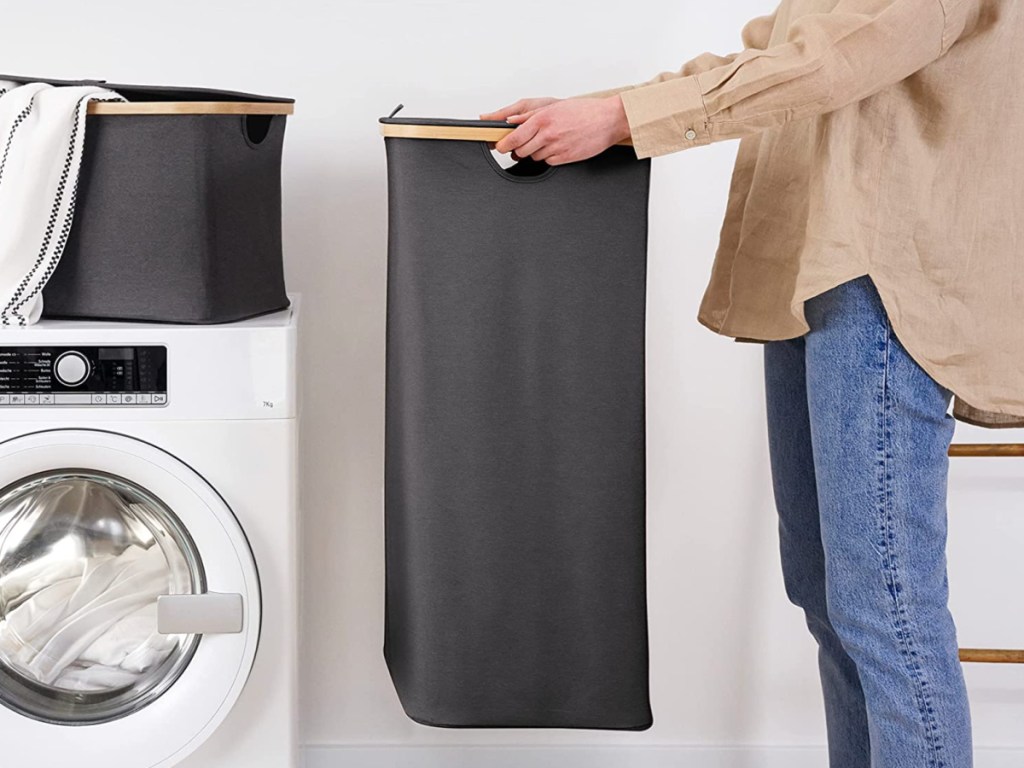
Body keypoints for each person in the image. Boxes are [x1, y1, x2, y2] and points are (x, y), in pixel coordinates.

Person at [483, 1, 1019, 766]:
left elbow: (829, 63)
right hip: (817, 266)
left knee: (884, 608)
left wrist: (619, 118)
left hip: (887, 280)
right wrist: (606, 111)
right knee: (829, 596)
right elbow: (779, 53)